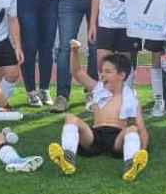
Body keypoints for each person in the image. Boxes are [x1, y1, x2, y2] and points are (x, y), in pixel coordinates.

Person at [47, 42, 150, 181]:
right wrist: (75, 51)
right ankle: (68, 158)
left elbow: (142, 129)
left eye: (108, 72)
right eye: (102, 71)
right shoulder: (97, 88)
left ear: (121, 75)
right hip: (94, 135)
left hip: (117, 139)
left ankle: (131, 165)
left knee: (132, 129)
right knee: (70, 118)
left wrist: (142, 151)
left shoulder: (131, 99)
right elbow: (77, 73)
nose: (102, 75)